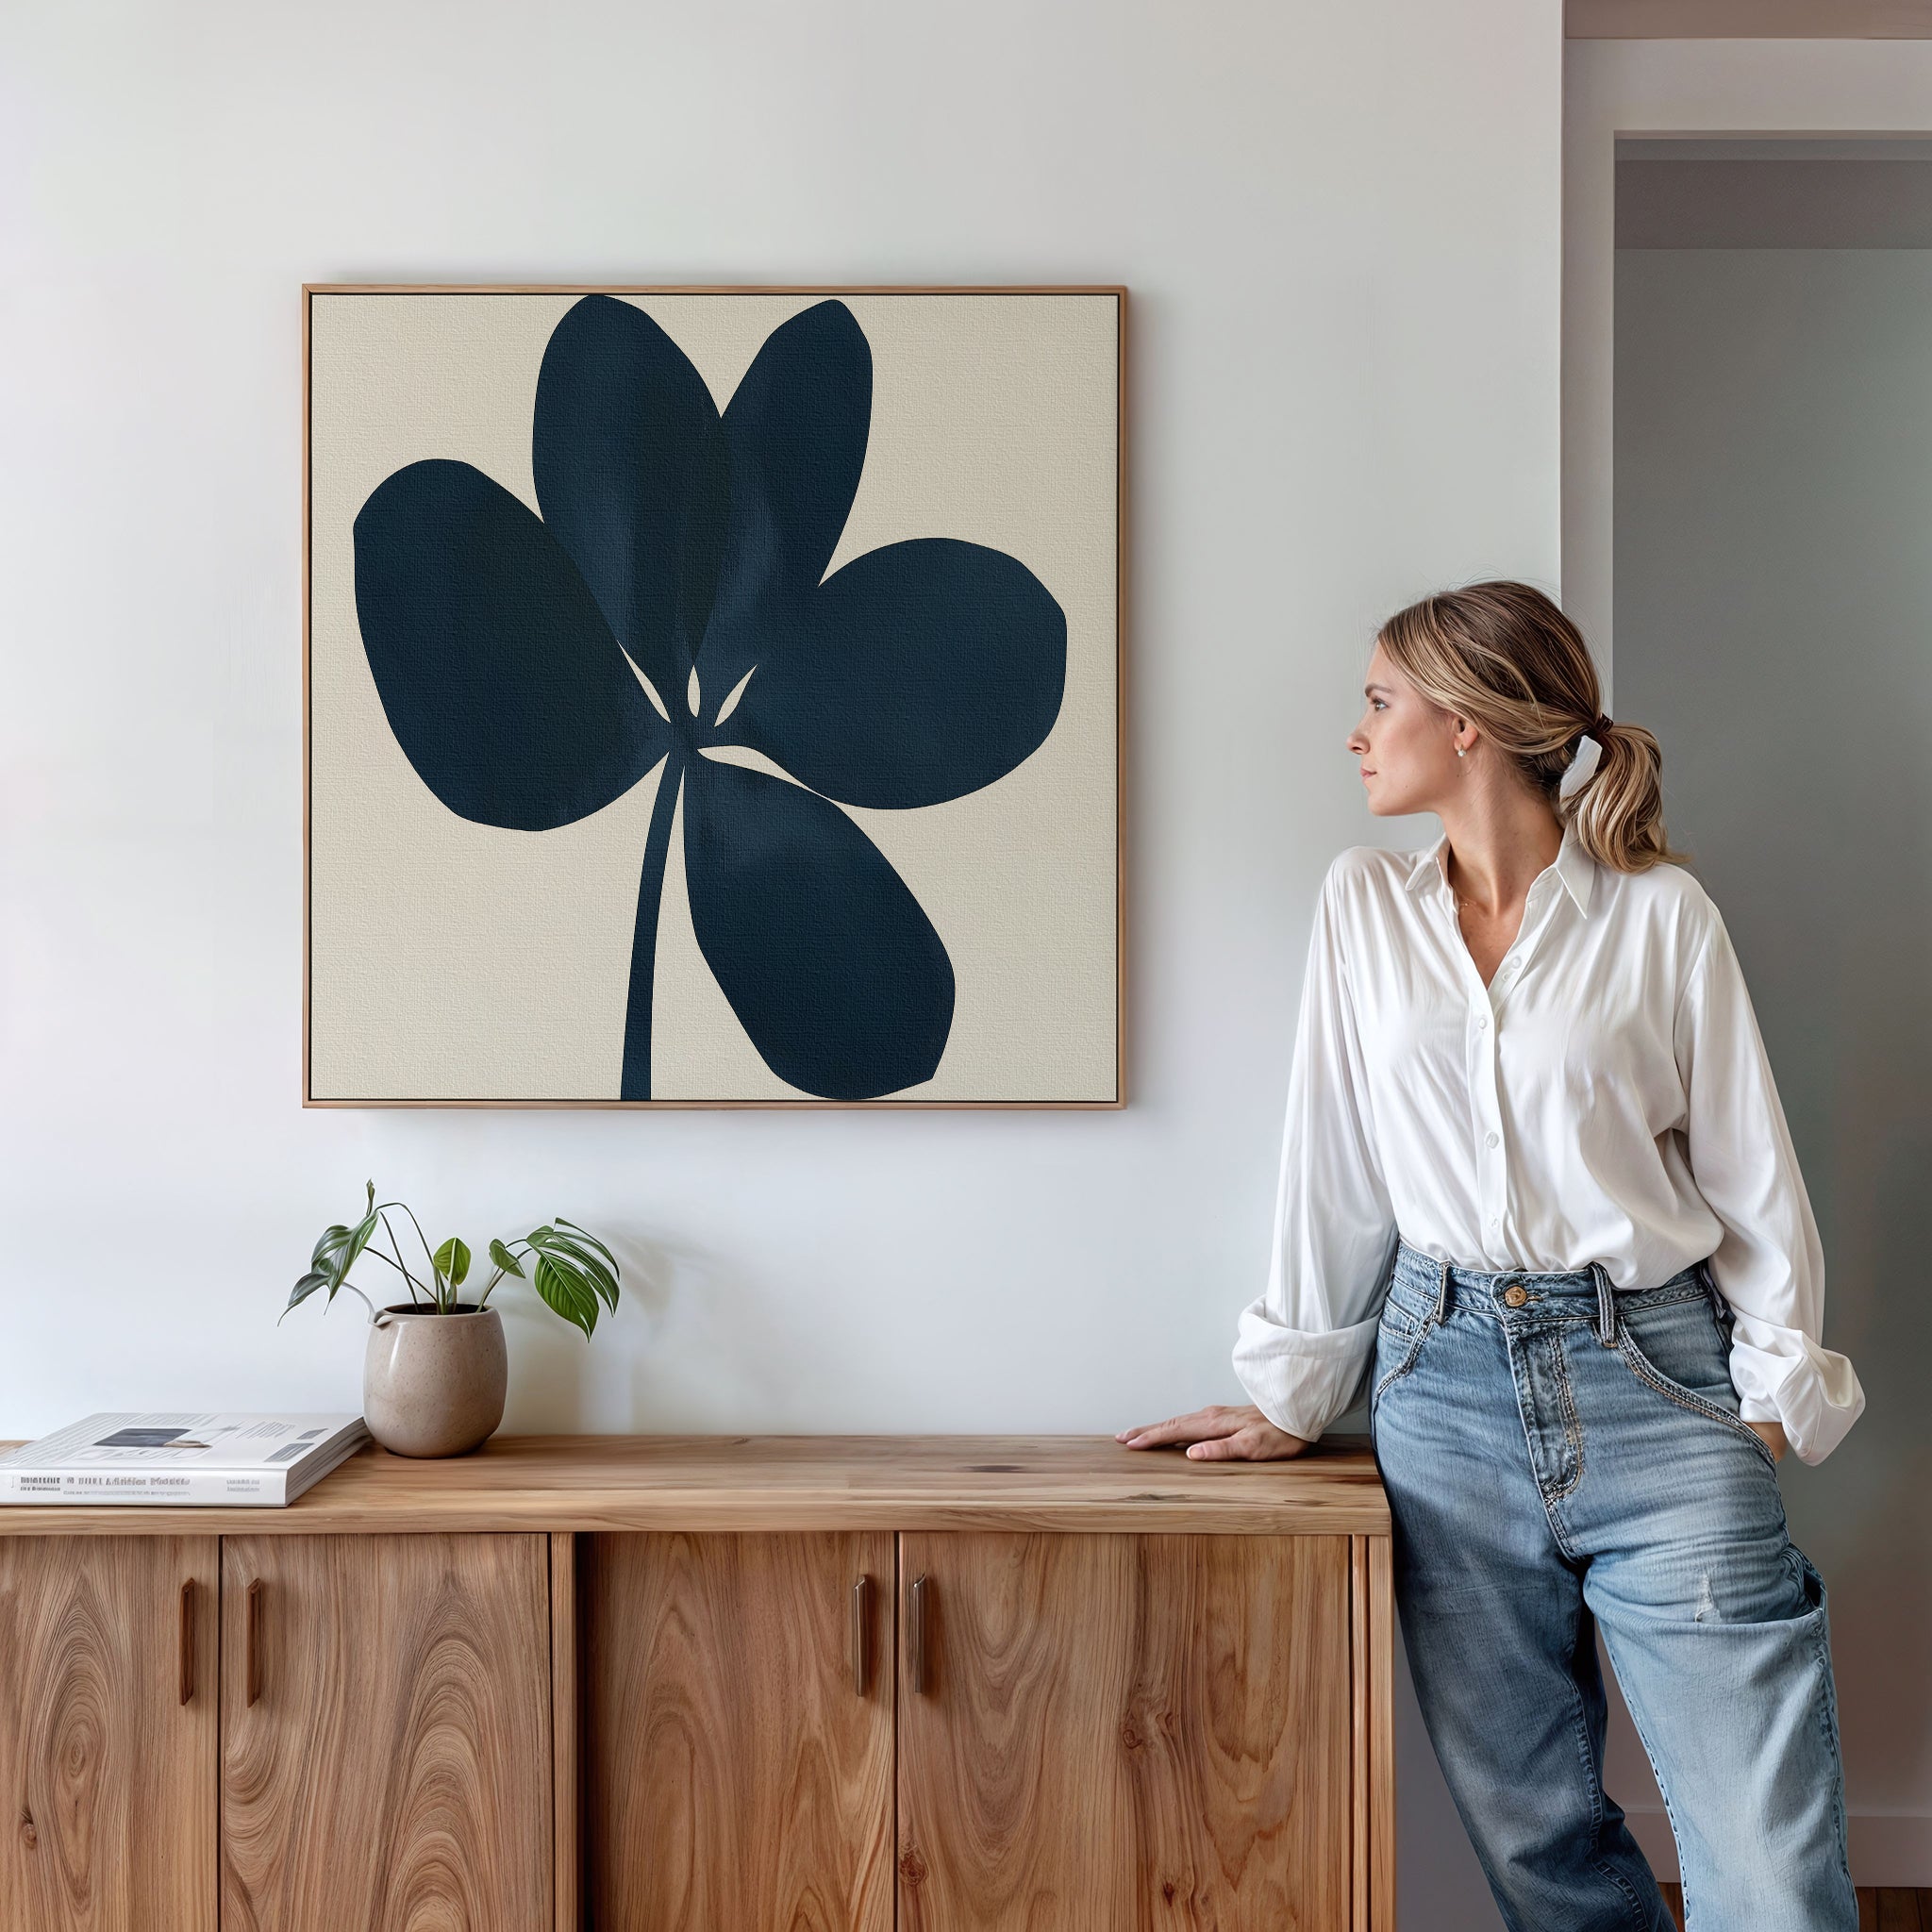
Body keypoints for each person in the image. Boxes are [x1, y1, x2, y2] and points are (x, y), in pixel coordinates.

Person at [1117, 581, 1865, 1930]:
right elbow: (1331, 1162)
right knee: (1539, 1848)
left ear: (1466, 725)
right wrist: (1298, 1389)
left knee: (1767, 1861)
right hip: (1441, 1389)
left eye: (1378, 700)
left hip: (1659, 1377)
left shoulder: (1660, 917)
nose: (1356, 733)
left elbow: (1753, 1172)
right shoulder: (1362, 909)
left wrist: (1767, 1395)